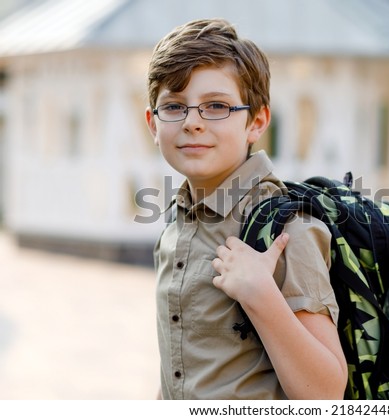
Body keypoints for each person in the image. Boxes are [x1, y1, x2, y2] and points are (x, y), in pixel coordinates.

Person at [144, 18, 347, 400]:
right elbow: (182, 369)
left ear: (256, 121)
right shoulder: (178, 223)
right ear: (153, 124)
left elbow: (325, 395)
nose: (192, 123)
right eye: (174, 106)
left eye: (216, 106)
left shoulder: (286, 230)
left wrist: (260, 294)